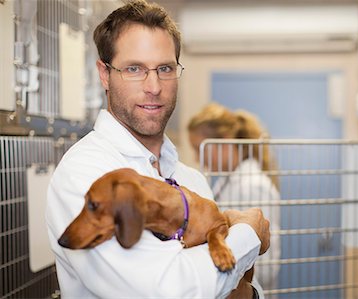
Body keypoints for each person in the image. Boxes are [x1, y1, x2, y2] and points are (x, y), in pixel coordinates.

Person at [45, 1, 270, 298]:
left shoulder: (192, 180)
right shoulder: (86, 174)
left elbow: (231, 287)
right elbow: (166, 290)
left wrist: (248, 293)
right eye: (134, 68)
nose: (153, 86)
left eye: (165, 68)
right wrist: (248, 234)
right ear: (104, 74)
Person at [188, 103, 281, 293]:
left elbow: (267, 265)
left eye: (199, 148)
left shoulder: (254, 185)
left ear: (224, 140)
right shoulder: (225, 182)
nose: (198, 158)